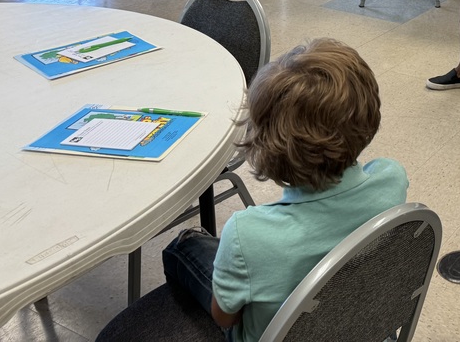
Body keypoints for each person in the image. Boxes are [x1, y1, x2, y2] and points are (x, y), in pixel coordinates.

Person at [160, 38, 408, 340]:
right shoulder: (392, 179)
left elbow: (225, 317)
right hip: (363, 327)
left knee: (182, 249)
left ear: (267, 147)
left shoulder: (246, 233)